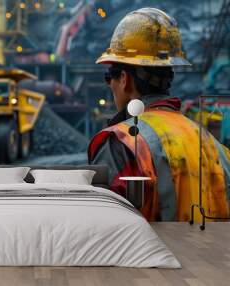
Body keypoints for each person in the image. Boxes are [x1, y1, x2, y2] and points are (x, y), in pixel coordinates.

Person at [88, 7, 230, 221]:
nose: (110, 85)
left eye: (110, 78)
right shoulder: (215, 147)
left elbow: (104, 230)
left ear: (124, 79)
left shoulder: (121, 143)